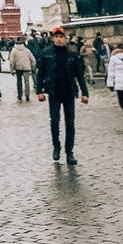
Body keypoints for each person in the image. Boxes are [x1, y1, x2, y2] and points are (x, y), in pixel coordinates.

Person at [35, 25, 89, 164]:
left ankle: (69, 152)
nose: (59, 39)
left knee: (70, 123)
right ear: (53, 38)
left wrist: (85, 93)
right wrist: (39, 91)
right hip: (54, 92)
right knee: (54, 121)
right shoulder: (46, 53)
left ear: (65, 38)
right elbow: (40, 73)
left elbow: (80, 75)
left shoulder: (72, 54)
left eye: (61, 37)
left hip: (69, 91)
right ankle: (56, 146)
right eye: (56, 37)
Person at [9, 36, 37, 102]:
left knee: (19, 81)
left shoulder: (14, 50)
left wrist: (12, 69)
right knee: (27, 82)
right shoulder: (27, 50)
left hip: (18, 68)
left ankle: (20, 95)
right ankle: (27, 95)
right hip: (26, 68)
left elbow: (11, 61)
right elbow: (33, 60)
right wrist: (33, 67)